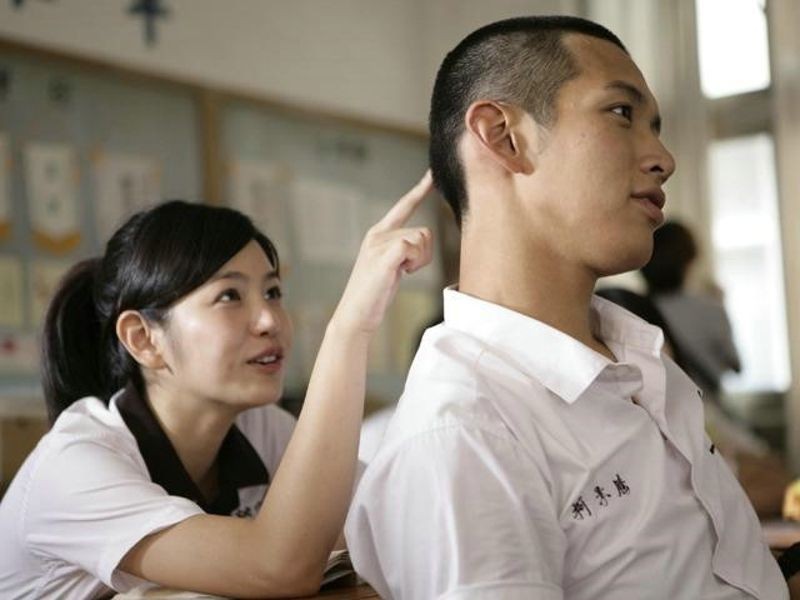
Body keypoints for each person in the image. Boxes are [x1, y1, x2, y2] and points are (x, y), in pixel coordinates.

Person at [345, 16, 787, 599]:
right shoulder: (467, 432)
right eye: (621, 113)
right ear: (503, 137)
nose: (663, 158)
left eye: (655, 126)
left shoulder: (639, 360)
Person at [0, 172, 433, 599]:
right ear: (143, 339)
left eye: (273, 292)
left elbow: (390, 517)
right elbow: (278, 568)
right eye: (230, 296)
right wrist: (351, 326)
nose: (269, 320)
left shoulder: (259, 428)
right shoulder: (74, 467)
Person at [640, 220, 741, 397]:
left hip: (651, 410)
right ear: (689, 262)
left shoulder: (630, 309)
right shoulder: (710, 309)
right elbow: (736, 366)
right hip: (703, 408)